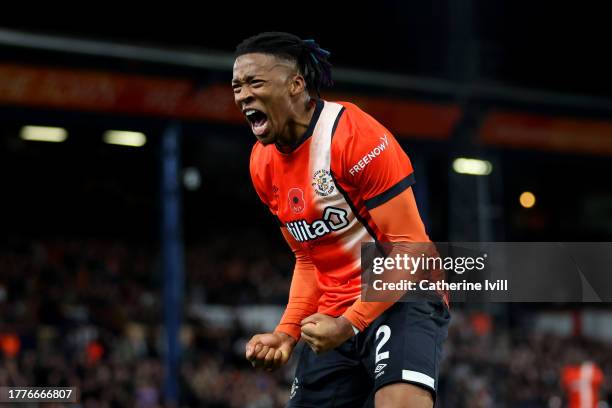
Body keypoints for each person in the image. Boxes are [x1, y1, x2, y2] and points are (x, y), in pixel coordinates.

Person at [232, 32, 449, 408]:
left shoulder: (353, 135)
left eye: (255, 82)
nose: (242, 95)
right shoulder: (261, 164)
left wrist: (351, 323)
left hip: (402, 296)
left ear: (296, 85)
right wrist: (286, 333)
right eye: (236, 85)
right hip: (332, 314)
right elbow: (307, 260)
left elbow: (409, 245)